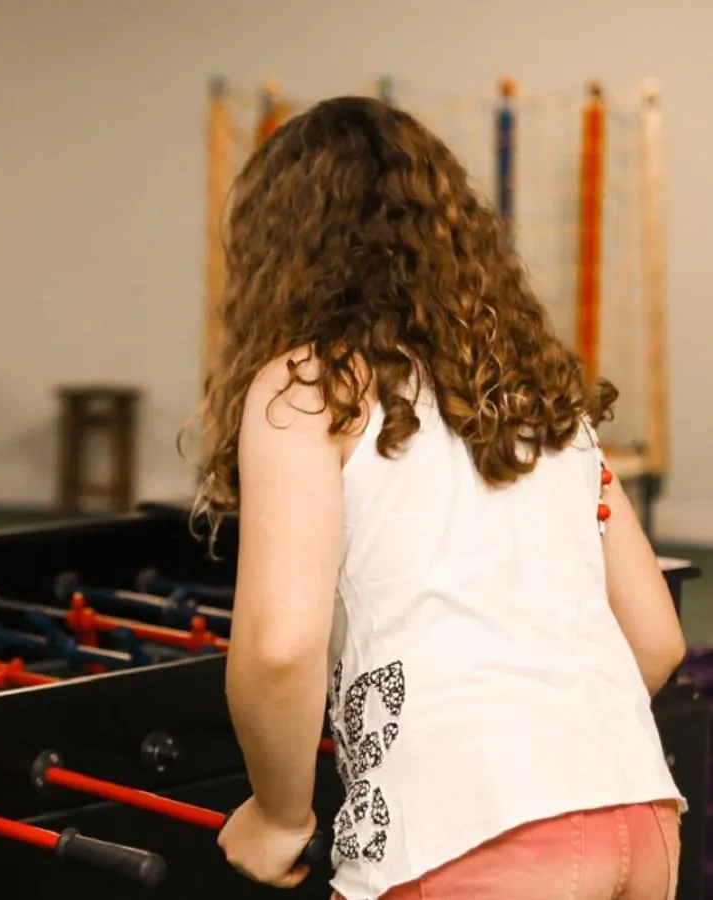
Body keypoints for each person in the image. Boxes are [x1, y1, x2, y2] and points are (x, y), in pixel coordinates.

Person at [193, 96, 686, 900]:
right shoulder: (538, 393)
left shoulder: (311, 382)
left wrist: (280, 814)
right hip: (634, 813)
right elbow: (658, 641)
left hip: (469, 835)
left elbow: (281, 646)